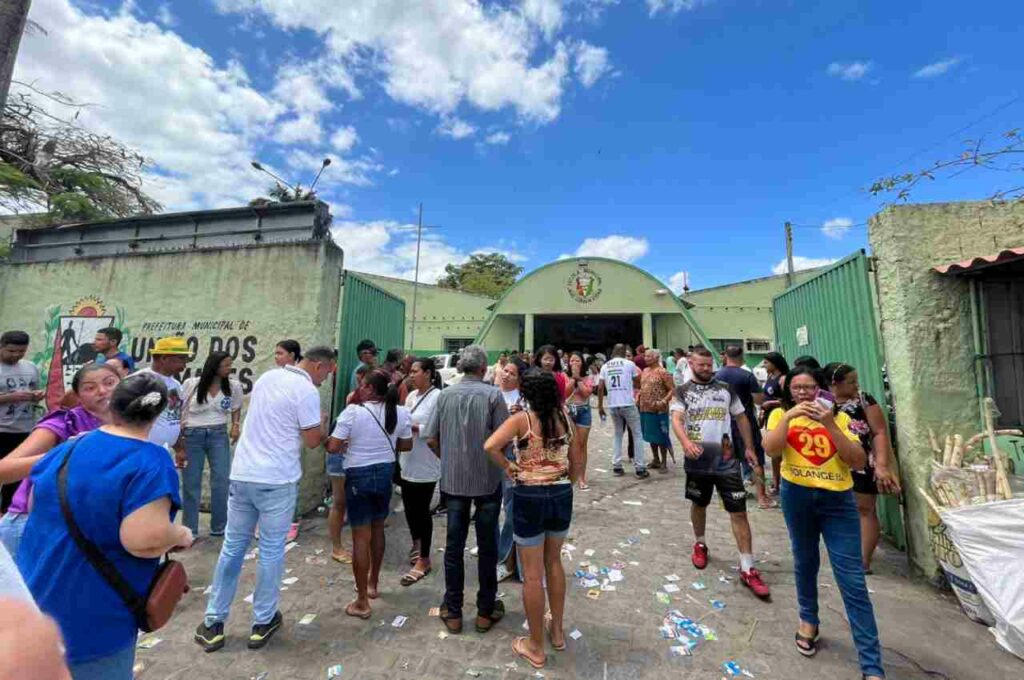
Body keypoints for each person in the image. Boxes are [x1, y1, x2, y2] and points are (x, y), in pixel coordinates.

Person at [18, 373, 192, 679]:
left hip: (34, 602)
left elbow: (34, 505)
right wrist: (181, 534)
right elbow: (142, 538)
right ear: (158, 413)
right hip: (91, 616)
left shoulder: (67, 448)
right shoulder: (150, 460)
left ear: (114, 406)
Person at [194, 347, 335, 653]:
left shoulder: (269, 377)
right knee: (270, 551)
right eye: (328, 372)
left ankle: (213, 623)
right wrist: (322, 424)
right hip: (276, 480)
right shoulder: (307, 391)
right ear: (319, 365)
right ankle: (262, 621)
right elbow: (312, 441)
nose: (326, 379)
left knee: (232, 548)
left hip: (243, 474)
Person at [764, 367, 883, 680]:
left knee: (852, 579)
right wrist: (789, 418)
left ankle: (871, 664)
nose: (803, 393)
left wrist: (828, 422)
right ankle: (808, 621)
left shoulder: (840, 418)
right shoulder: (780, 416)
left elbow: (857, 461)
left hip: (837, 501)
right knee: (805, 562)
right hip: (797, 497)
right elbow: (771, 450)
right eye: (797, 388)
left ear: (820, 389)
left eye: (809, 387)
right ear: (789, 390)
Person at [485, 370, 580, 670]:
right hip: (561, 493)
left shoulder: (521, 420)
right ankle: (558, 630)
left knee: (532, 572)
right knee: (555, 562)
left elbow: (490, 446)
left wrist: (510, 467)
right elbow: (577, 458)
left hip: (529, 496)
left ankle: (535, 645)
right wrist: (569, 480)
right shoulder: (565, 417)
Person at [670, 346, 770, 600]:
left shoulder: (726, 389)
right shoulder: (682, 392)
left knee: (738, 511)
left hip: (727, 460)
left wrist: (748, 447)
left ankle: (747, 567)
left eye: (709, 364)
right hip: (698, 461)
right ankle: (700, 543)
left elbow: (742, 418)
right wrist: (686, 443)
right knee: (699, 503)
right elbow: (677, 420)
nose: (706, 369)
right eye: (700, 365)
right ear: (690, 363)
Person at [423, 344, 507, 635]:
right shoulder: (494, 395)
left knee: (454, 547)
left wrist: (449, 461)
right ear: (484, 369)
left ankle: (454, 611)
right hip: (487, 481)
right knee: (487, 547)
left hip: (454, 483)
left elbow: (430, 437)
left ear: (461, 367)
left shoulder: (445, 395)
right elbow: (503, 440)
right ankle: (485, 612)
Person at [0, 364, 119, 557]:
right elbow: (3, 470)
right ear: (78, 397)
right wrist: (64, 453)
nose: (102, 391)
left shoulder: (130, 426)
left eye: (110, 383)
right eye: (90, 387)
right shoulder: (63, 424)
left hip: (82, 528)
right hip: (31, 524)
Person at [328, 370, 412, 619]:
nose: (359, 389)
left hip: (358, 475)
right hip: (385, 473)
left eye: (363, 386)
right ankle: (374, 583)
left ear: (371, 390)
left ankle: (362, 600)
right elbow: (406, 445)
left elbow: (333, 447)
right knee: (377, 530)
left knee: (360, 538)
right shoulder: (400, 412)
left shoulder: (353, 412)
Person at [824, 363, 901, 573]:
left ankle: (862, 562)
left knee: (865, 510)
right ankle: (843, 554)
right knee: (836, 512)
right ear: (834, 384)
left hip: (861, 465)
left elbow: (880, 432)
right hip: (830, 464)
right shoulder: (821, 404)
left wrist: (883, 465)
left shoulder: (864, 401)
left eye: (856, 380)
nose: (856, 385)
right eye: (851, 382)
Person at [180, 352, 243, 540]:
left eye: (230, 365)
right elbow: (180, 408)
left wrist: (235, 425)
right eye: (225, 365)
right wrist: (179, 437)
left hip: (218, 433)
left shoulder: (233, 386)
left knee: (221, 481)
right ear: (214, 366)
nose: (229, 369)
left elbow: (236, 407)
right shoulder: (192, 384)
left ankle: (220, 527)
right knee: (191, 483)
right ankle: (190, 530)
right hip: (192, 434)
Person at [398, 357, 442, 587]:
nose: (411, 375)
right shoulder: (411, 397)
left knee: (422, 512)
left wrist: (416, 428)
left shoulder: (438, 397)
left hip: (427, 463)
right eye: (411, 371)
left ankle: (424, 559)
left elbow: (439, 428)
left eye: (416, 371)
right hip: (408, 461)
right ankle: (417, 544)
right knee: (410, 510)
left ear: (429, 373)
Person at [715, 346, 771, 509]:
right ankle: (762, 497)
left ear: (726, 356)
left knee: (731, 460)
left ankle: (735, 493)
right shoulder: (746, 376)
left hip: (724, 424)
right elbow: (759, 400)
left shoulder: (717, 376)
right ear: (742, 356)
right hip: (746, 422)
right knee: (755, 460)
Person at [0, 331, 44, 512]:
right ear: (1, 346)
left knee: (15, 478)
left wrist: (36, 396)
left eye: (21, 352)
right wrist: (10, 397)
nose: (16, 355)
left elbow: (34, 390)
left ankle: (5, 516)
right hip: (1, 429)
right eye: (11, 351)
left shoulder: (31, 367)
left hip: (24, 430)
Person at [497, 357, 529, 581]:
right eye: (505, 370)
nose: (506, 375)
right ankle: (498, 552)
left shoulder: (524, 400)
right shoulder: (491, 394)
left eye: (512, 373)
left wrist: (520, 416)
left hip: (513, 458)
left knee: (511, 508)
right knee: (490, 508)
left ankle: (506, 559)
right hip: (491, 455)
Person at [597, 344, 647, 478]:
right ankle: (640, 467)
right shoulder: (629, 364)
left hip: (613, 405)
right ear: (625, 352)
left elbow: (600, 388)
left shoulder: (605, 366)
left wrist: (601, 406)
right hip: (628, 403)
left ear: (613, 352)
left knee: (618, 434)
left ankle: (617, 466)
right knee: (637, 434)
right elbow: (638, 381)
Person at [138, 337, 189, 456]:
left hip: (164, 451)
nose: (185, 364)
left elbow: (174, 418)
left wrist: (179, 448)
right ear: (164, 358)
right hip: (142, 450)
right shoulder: (141, 380)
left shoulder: (175, 384)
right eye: (181, 359)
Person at [638, 349, 675, 473]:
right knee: (650, 435)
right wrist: (638, 397)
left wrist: (663, 401)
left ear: (656, 358)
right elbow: (642, 387)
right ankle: (656, 459)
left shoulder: (663, 372)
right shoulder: (645, 371)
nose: (646, 358)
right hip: (645, 408)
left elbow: (672, 389)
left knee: (661, 436)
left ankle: (664, 461)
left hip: (659, 410)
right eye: (645, 356)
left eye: (649, 356)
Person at [760, 352, 789, 495]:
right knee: (773, 454)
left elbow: (788, 399)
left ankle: (784, 482)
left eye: (766, 362)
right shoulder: (770, 377)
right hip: (769, 416)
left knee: (781, 452)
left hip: (780, 416)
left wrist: (771, 402)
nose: (764, 365)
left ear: (774, 363)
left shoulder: (782, 379)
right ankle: (776, 482)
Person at [564, 352, 595, 489]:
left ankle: (581, 477)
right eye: (572, 361)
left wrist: (579, 379)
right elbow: (564, 392)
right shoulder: (564, 376)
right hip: (569, 411)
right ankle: (570, 473)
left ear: (582, 362)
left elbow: (586, 393)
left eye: (577, 360)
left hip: (583, 411)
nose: (574, 363)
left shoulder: (588, 377)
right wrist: (573, 379)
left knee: (582, 445)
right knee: (570, 445)